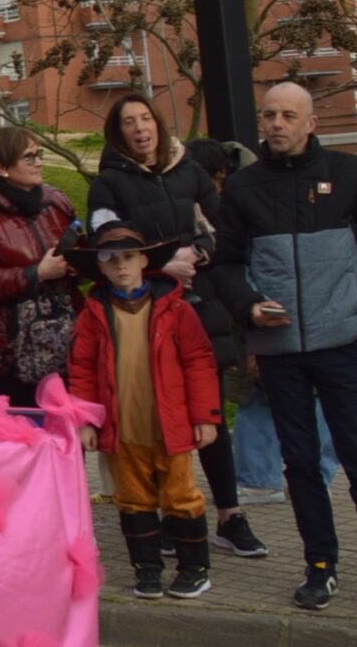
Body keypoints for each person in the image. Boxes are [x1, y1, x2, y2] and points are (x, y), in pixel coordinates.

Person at [210, 82, 357, 627]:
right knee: (302, 466)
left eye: (288, 115)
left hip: (344, 348)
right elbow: (223, 266)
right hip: (281, 353)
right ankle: (320, 567)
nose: (276, 124)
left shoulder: (353, 175)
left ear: (310, 122)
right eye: (268, 114)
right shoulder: (243, 187)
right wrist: (248, 309)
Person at [89, 95, 267, 559]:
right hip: (147, 314)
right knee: (162, 418)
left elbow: (220, 227)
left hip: (201, 307)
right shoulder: (108, 182)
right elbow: (108, 245)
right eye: (129, 122)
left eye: (145, 118)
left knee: (208, 416)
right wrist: (167, 265)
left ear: (158, 122)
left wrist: (198, 255)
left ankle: (230, 515)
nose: (139, 128)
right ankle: (174, 516)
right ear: (118, 132)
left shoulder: (189, 170)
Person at [66, 220, 223, 599]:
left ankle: (194, 569)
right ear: (99, 267)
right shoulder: (93, 314)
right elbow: (81, 368)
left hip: (171, 426)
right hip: (123, 427)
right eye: (111, 259)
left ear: (144, 262)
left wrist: (204, 416)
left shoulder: (177, 309)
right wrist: (86, 420)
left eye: (129, 257)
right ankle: (147, 570)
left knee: (181, 497)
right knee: (133, 500)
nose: (121, 266)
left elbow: (199, 361)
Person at [0, 124, 79, 406]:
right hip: (15, 347)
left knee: (72, 433)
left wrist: (79, 263)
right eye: (29, 157)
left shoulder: (55, 202)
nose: (40, 162)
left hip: (70, 337)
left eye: (39, 154)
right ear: (1, 168)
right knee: (32, 437)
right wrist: (36, 274)